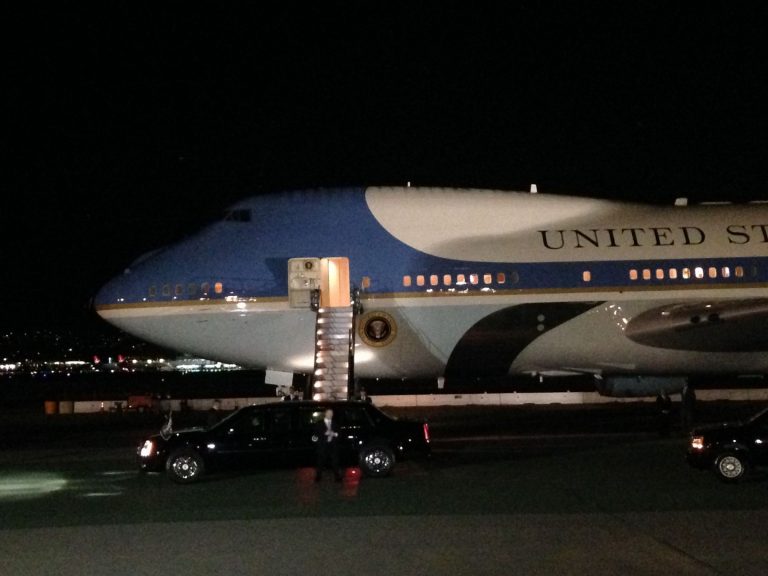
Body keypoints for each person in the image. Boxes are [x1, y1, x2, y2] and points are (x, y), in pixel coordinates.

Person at [313, 408, 342, 482]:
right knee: (320, 461)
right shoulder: (319, 423)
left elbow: (340, 433)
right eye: (329, 413)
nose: (330, 415)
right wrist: (324, 434)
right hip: (323, 445)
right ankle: (318, 476)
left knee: (335, 461)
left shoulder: (335, 423)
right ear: (325, 414)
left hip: (333, 445)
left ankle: (337, 476)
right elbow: (315, 434)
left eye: (332, 413)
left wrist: (334, 434)